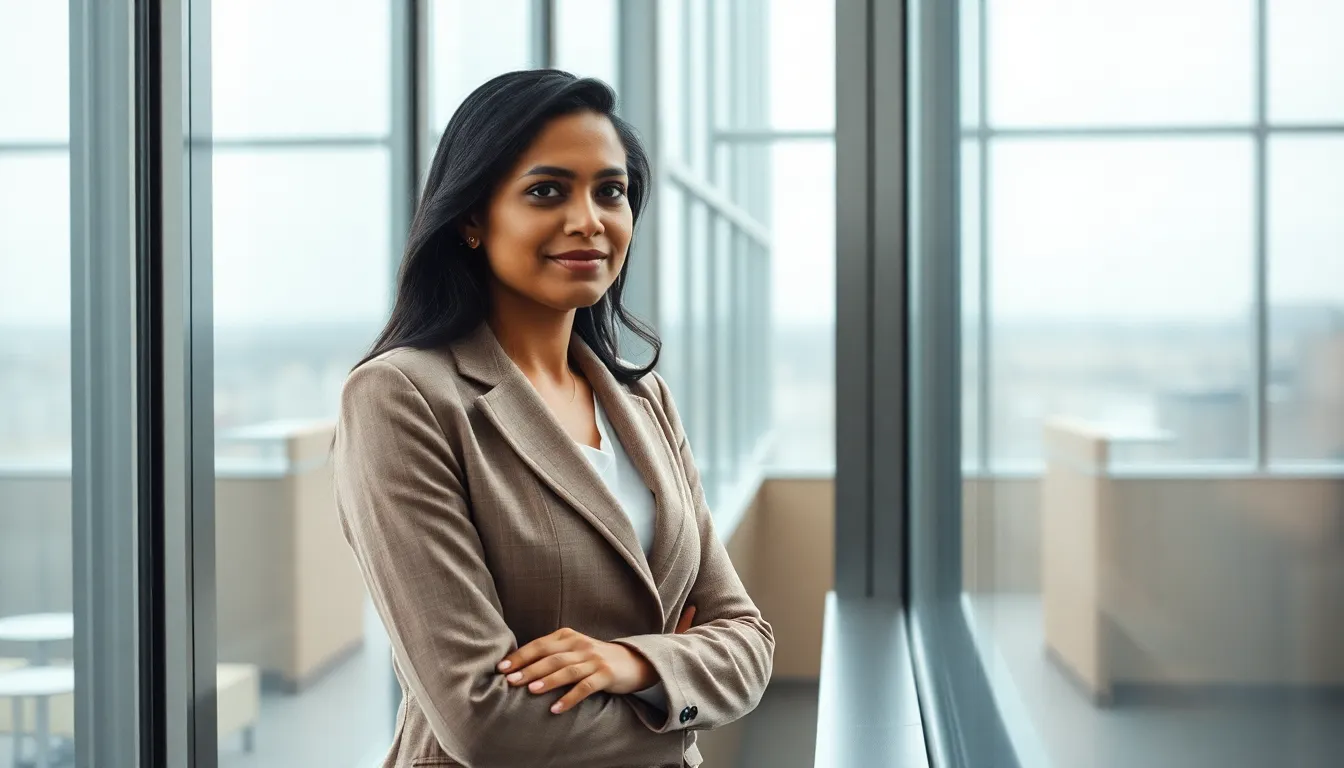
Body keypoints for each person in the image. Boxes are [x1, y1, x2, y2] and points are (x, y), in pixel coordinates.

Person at [333, 69, 774, 768]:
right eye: (546, 191)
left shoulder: (643, 400)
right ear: (472, 218)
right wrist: (680, 704)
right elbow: (483, 722)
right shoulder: (402, 398)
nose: (588, 220)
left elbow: (748, 640)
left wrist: (633, 663)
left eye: (611, 191)